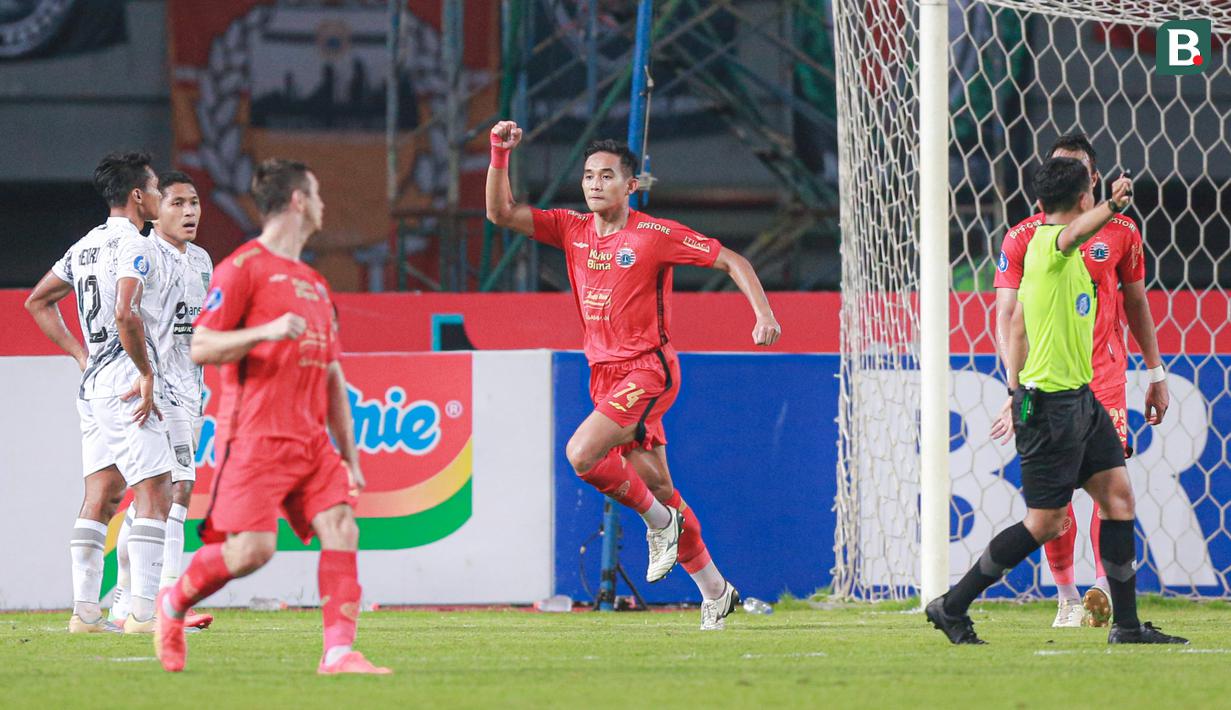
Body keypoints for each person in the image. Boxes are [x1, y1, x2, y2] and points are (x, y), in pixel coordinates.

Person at [485, 122, 781, 631]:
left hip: (648, 369)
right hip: (604, 374)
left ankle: (659, 526)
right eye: (588, 176)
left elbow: (731, 260)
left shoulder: (654, 235)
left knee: (582, 453)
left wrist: (764, 314)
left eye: (607, 176)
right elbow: (501, 213)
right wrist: (498, 153)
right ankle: (716, 591)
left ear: (631, 185)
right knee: (660, 487)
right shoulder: (571, 229)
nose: (594, 184)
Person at [927, 157, 1186, 645]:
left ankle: (1127, 626)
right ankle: (952, 605)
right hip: (1050, 408)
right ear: (1085, 199)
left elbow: (1017, 326)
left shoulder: (1053, 257)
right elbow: (1072, 234)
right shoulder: (1051, 245)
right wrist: (1115, 204)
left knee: (1118, 498)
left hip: (1081, 401)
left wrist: (1012, 387)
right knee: (1045, 523)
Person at [154, 158, 390, 675]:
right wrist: (265, 332)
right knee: (251, 553)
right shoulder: (242, 268)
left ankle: (338, 653)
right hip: (257, 437)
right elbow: (201, 346)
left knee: (342, 526)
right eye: (317, 194)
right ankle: (172, 603)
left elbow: (332, 378)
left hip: (311, 442)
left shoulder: (316, 285)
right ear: (299, 201)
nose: (323, 204)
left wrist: (350, 457)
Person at [991, 133, 1168, 628]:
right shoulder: (1024, 238)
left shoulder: (1122, 232)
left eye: (1077, 169)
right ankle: (1067, 597)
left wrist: (1155, 371)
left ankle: (1102, 590)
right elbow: (1007, 317)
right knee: (1057, 501)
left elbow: (1136, 302)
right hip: (1049, 384)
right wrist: (1016, 388)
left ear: (1091, 179)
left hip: (1103, 377)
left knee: (1112, 491)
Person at [24, 152, 175, 634]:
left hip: (93, 387)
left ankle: (86, 612)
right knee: (157, 492)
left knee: (103, 495)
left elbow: (38, 301)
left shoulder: (84, 246)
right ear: (138, 195)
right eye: (156, 189)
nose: (160, 197)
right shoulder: (135, 245)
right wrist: (145, 373)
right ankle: (144, 614)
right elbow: (126, 313)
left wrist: (80, 354)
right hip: (126, 382)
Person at [109, 171, 215, 632]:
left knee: (155, 498)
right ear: (156, 212)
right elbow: (124, 315)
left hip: (190, 389)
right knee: (177, 489)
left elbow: (199, 326)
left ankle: (125, 595)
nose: (189, 212)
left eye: (194, 202)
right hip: (155, 386)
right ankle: (167, 600)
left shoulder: (203, 260)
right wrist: (141, 373)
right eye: (177, 203)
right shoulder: (142, 254)